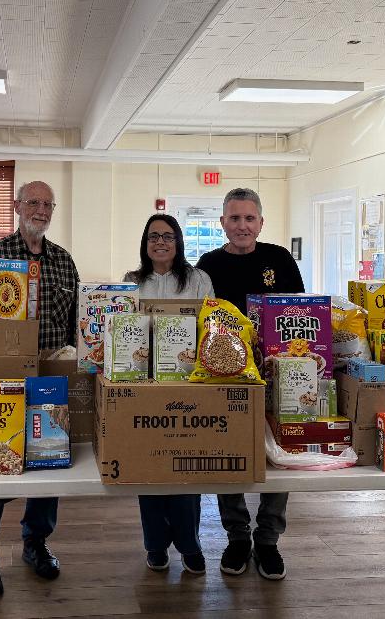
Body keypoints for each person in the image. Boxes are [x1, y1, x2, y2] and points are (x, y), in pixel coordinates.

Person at [0, 180, 80, 598]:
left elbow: (72, 329)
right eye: (33, 202)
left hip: (50, 378)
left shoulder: (65, 262)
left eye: (48, 204)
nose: (41, 210)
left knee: (48, 465)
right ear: (16, 206)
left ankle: (36, 543)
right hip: (1, 377)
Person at [196, 188, 304, 581]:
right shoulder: (207, 264)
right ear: (222, 222)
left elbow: (301, 311)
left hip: (279, 375)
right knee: (229, 451)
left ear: (261, 222)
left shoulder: (279, 259)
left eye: (249, 218)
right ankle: (237, 536)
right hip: (224, 374)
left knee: (282, 455)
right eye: (234, 218)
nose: (242, 225)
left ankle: (269, 540)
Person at [123, 214, 213, 574]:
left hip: (188, 381)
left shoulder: (198, 279)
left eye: (168, 236)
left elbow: (212, 325)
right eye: (153, 237)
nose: (160, 242)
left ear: (178, 241)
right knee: (151, 467)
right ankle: (155, 544)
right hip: (144, 383)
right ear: (145, 243)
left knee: (187, 466)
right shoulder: (132, 282)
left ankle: (190, 543)